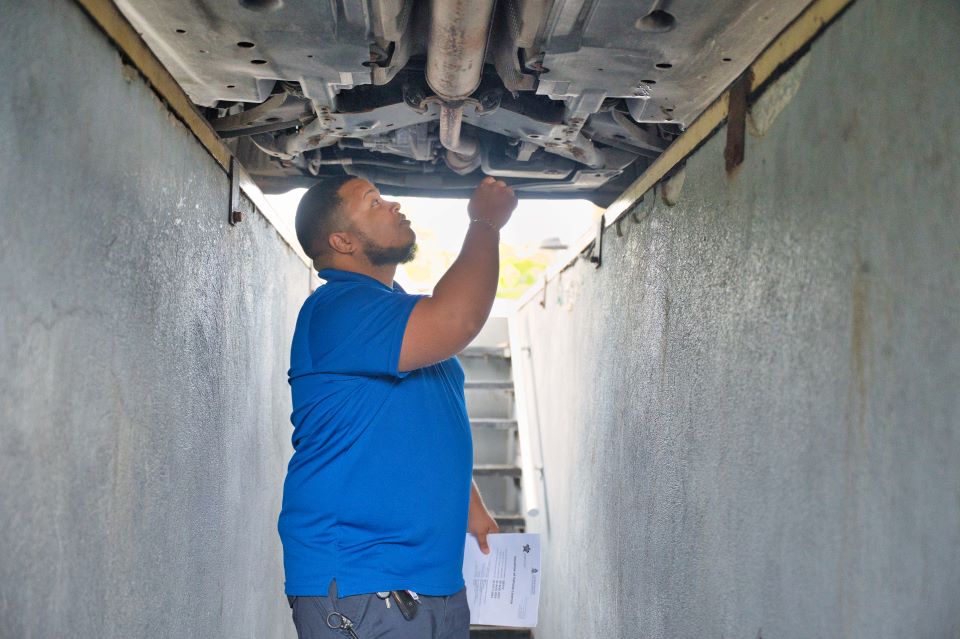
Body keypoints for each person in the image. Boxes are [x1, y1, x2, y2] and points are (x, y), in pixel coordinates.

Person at [279, 175, 518, 639]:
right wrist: (486, 222)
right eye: (373, 202)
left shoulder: (391, 309)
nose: (392, 204)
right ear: (342, 241)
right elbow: (459, 317)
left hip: (429, 581)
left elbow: (420, 416)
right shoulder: (339, 306)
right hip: (365, 580)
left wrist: (469, 503)